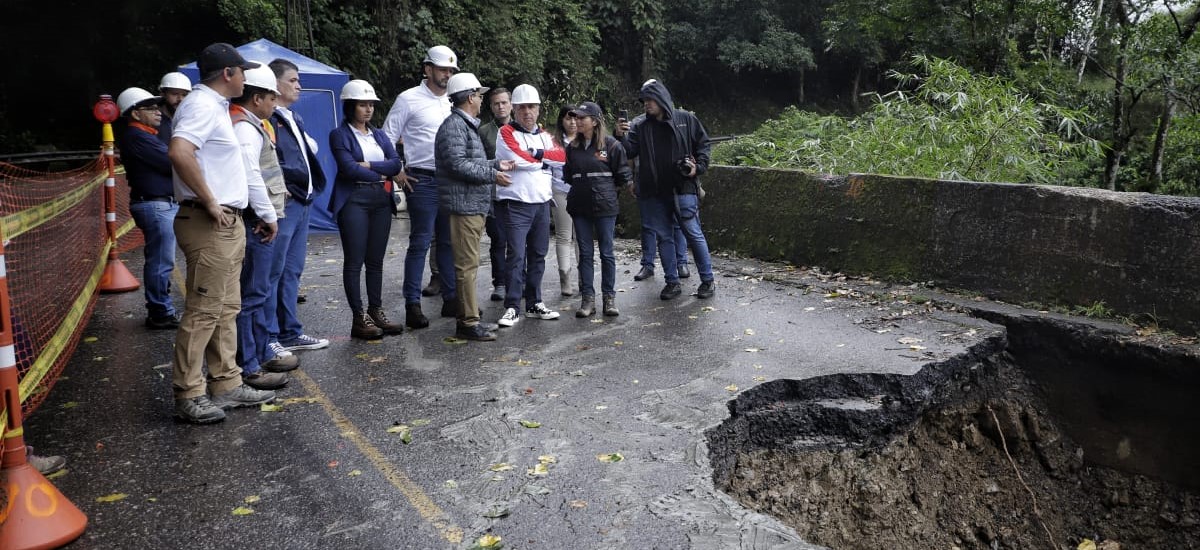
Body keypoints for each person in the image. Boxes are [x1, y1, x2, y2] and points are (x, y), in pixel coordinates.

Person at [167, 42, 277, 424]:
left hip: (225, 220)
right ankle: (189, 391)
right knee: (203, 311)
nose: (245, 78)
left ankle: (226, 382)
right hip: (209, 220)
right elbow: (180, 151)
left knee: (226, 308)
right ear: (228, 73)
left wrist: (248, 209)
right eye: (242, 71)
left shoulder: (213, 107)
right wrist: (211, 201)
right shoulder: (200, 106)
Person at [615, 79, 716, 300]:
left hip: (683, 187)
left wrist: (697, 168)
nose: (646, 104)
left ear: (661, 98)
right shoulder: (641, 126)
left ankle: (708, 280)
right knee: (664, 237)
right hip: (654, 191)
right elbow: (629, 151)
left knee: (693, 233)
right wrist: (621, 136)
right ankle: (672, 282)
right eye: (644, 101)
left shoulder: (686, 119)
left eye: (650, 99)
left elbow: (703, 144)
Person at [382, 45, 459, 328]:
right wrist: (398, 170)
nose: (447, 75)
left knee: (448, 241)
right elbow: (387, 138)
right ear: (427, 69)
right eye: (442, 69)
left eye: (451, 71)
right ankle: (412, 303)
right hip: (422, 179)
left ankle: (451, 298)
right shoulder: (408, 99)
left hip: (450, 179)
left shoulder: (454, 100)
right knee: (421, 242)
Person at [435, 73, 515, 341]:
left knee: (470, 264)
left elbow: (468, 161)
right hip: (465, 206)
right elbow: (457, 165)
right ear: (470, 97)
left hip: (473, 204)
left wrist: (495, 164)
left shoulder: (465, 125)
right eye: (479, 95)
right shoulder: (454, 127)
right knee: (467, 266)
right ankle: (468, 323)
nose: (482, 100)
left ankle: (471, 319)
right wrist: (493, 174)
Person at [328, 79, 406, 340]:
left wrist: (370, 166)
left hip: (380, 199)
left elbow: (395, 165)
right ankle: (358, 317)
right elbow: (348, 168)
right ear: (350, 107)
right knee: (355, 260)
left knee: (375, 259)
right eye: (363, 105)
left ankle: (376, 310)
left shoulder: (379, 134)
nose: (368, 109)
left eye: (371, 104)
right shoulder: (339, 134)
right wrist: (380, 169)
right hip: (354, 199)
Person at [231, 63, 291, 391]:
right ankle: (249, 365)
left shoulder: (250, 124)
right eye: (271, 97)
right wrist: (269, 215)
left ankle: (252, 358)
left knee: (256, 292)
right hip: (257, 223)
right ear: (257, 98)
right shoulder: (245, 129)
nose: (275, 103)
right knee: (253, 295)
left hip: (256, 219)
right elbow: (251, 174)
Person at [267, 59, 330, 358]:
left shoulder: (292, 117)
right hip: (286, 203)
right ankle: (268, 336)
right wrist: (287, 191)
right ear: (274, 84)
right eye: (292, 80)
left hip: (302, 203)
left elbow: (309, 150)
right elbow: (271, 163)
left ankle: (289, 331)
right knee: (273, 272)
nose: (298, 85)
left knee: (292, 270)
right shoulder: (268, 119)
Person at [493, 84, 565, 327]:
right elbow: (515, 159)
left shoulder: (545, 135)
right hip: (516, 203)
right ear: (514, 109)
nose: (527, 112)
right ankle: (512, 306)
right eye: (522, 107)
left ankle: (534, 302)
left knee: (538, 254)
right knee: (516, 255)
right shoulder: (505, 132)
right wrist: (542, 160)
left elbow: (562, 158)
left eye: (531, 107)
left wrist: (535, 154)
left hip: (542, 202)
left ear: (538, 109)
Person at [116, 86, 180, 330]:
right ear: (135, 114)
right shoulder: (137, 137)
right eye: (150, 108)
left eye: (157, 107)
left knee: (163, 259)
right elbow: (172, 161)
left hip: (160, 203)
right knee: (161, 261)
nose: (158, 112)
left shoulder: (147, 135)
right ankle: (160, 311)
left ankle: (161, 306)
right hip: (155, 204)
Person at [565, 102, 631, 317]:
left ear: (594, 121)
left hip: (605, 206)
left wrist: (607, 192)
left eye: (582, 118)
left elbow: (623, 176)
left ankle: (609, 299)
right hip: (579, 206)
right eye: (575, 118)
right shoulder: (572, 148)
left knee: (607, 252)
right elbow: (568, 176)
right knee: (585, 254)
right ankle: (587, 300)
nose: (577, 121)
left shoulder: (611, 146)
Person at [478, 87, 512, 302]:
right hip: (493, 194)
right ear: (490, 107)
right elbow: (479, 163)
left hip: (518, 192)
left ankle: (518, 279)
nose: (500, 107)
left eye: (503, 102)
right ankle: (499, 282)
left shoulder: (521, 129)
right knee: (498, 240)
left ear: (511, 104)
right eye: (496, 103)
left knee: (518, 241)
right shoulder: (483, 132)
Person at [549, 106, 578, 297]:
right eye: (568, 119)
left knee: (582, 237)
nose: (573, 122)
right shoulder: (553, 142)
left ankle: (585, 278)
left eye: (576, 119)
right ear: (562, 121)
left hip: (584, 193)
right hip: (560, 191)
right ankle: (565, 281)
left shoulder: (588, 140)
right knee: (564, 236)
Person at [157, 71, 191, 146]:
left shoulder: (190, 118)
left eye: (184, 95)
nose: (180, 99)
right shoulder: (154, 120)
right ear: (163, 94)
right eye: (175, 94)